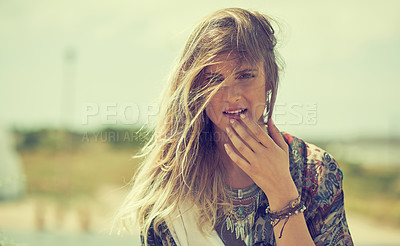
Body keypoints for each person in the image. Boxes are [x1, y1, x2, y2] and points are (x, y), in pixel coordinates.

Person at [114, 8, 354, 246]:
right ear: (196, 88)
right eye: (214, 79)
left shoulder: (316, 171)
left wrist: (283, 193)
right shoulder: (170, 184)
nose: (232, 96)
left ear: (269, 79)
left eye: (245, 75)